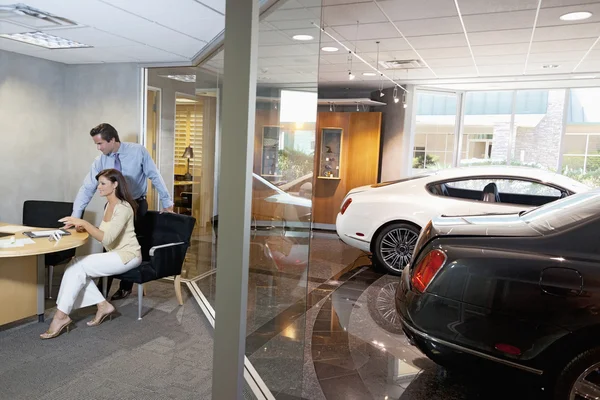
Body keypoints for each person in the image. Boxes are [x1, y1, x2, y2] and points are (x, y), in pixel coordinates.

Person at [72, 123, 173, 300]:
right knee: (108, 244)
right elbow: (87, 187)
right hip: (112, 205)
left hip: (135, 204)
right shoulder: (100, 160)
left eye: (100, 143)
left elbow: (154, 175)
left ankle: (126, 286)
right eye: (96, 144)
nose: (98, 148)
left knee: (130, 246)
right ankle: (104, 286)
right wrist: (75, 216)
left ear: (112, 140)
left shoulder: (138, 151)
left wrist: (167, 201)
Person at [41, 169, 142, 339]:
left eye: (103, 183)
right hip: (114, 253)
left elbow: (108, 239)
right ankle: (101, 305)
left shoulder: (123, 208)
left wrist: (85, 223)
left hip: (128, 255)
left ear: (115, 184)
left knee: (77, 267)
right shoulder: (108, 205)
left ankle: (61, 316)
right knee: (75, 265)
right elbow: (104, 233)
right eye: (99, 183)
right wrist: (82, 227)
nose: (99, 187)